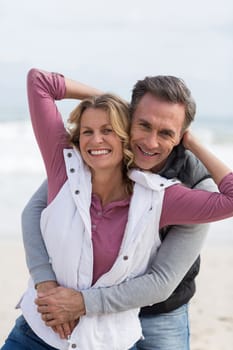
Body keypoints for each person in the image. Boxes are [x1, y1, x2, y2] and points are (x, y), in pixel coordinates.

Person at [2, 69, 233, 350]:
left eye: (166, 133)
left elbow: (161, 282)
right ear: (127, 119)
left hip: (160, 310)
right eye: (143, 125)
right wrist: (45, 282)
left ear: (180, 136)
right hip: (64, 315)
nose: (150, 142)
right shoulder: (89, 162)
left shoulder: (185, 186)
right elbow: (35, 211)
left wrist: (194, 143)